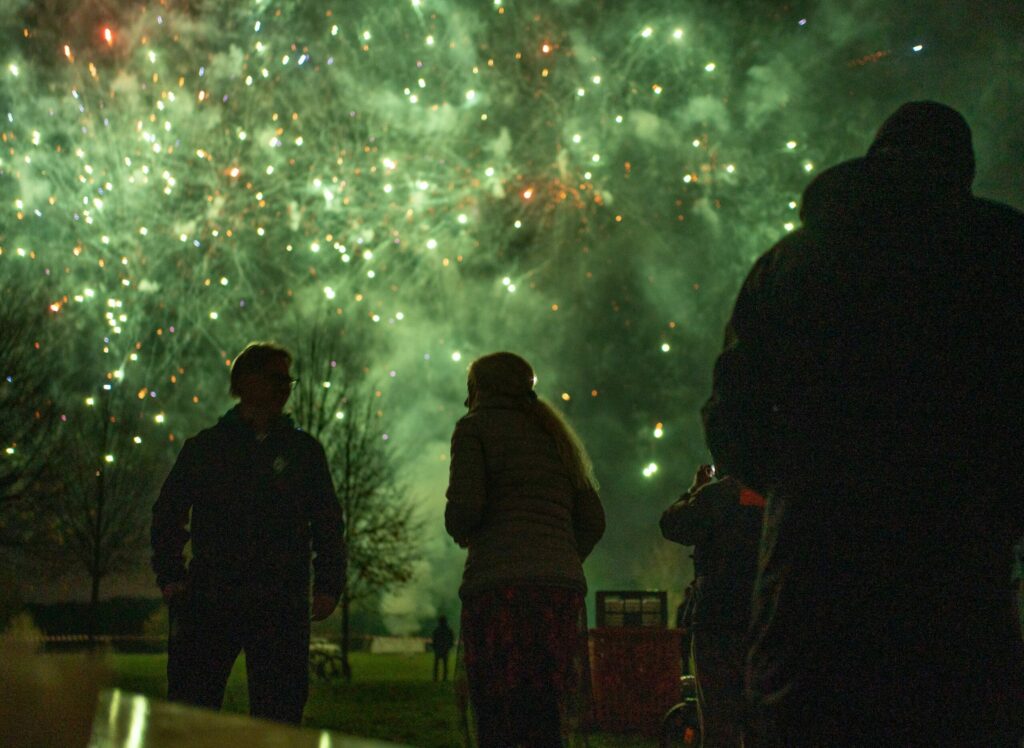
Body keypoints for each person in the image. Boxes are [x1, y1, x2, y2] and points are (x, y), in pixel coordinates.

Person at [703, 101, 1024, 745]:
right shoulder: (1006, 253)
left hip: (814, 575)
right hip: (960, 570)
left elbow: (731, 412)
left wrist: (799, 482)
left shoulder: (790, 263)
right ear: (962, 169)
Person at [151, 341, 346, 724]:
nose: (285, 387)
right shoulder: (209, 448)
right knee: (195, 714)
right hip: (218, 597)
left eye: (288, 380)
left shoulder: (301, 452)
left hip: (276, 601)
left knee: (275, 717)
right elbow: (168, 512)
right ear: (244, 382)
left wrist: (329, 583)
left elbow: (327, 522)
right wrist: (171, 575)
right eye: (275, 378)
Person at [445, 351, 605, 748]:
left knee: (498, 711)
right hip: (558, 593)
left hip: (501, 589)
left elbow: (464, 510)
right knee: (545, 710)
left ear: (478, 389)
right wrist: (560, 556)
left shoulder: (474, 428)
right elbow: (594, 520)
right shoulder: (555, 436)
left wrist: (462, 529)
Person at [660, 465, 764, 747]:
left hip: (717, 622)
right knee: (763, 722)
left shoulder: (717, 495)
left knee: (719, 726)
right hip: (766, 620)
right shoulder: (775, 495)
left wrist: (695, 490)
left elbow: (671, 524)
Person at [432, 614, 455, 681]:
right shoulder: (449, 630)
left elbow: (434, 640)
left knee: (436, 665)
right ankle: (444, 678)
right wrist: (449, 646)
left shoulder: (436, 630)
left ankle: (435, 678)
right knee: (445, 665)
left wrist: (435, 647)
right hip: (445, 649)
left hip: (438, 649)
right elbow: (451, 640)